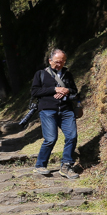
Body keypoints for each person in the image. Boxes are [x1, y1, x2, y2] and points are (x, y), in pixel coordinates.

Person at [32, 48, 80, 179]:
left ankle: (66, 166)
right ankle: (40, 165)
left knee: (72, 136)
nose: (60, 64)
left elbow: (75, 91)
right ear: (50, 60)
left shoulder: (67, 74)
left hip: (66, 110)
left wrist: (66, 90)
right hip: (47, 110)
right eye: (57, 62)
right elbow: (35, 92)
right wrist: (54, 89)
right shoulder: (41, 74)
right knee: (51, 138)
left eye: (63, 61)